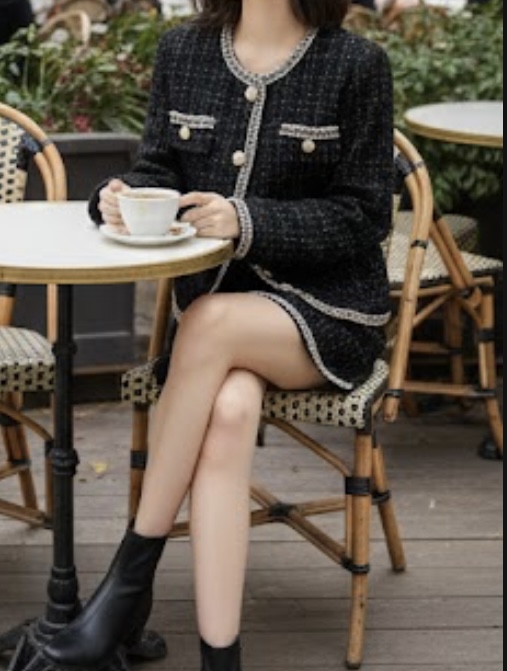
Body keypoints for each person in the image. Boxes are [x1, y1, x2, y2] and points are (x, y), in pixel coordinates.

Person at [43, 0, 394, 669]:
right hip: (222, 327)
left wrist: (246, 220)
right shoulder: (184, 51)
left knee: (206, 322)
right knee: (229, 412)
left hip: (328, 313)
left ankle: (124, 590)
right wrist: (118, 196)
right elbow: (157, 170)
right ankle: (220, 656)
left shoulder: (355, 64)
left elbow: (364, 214)